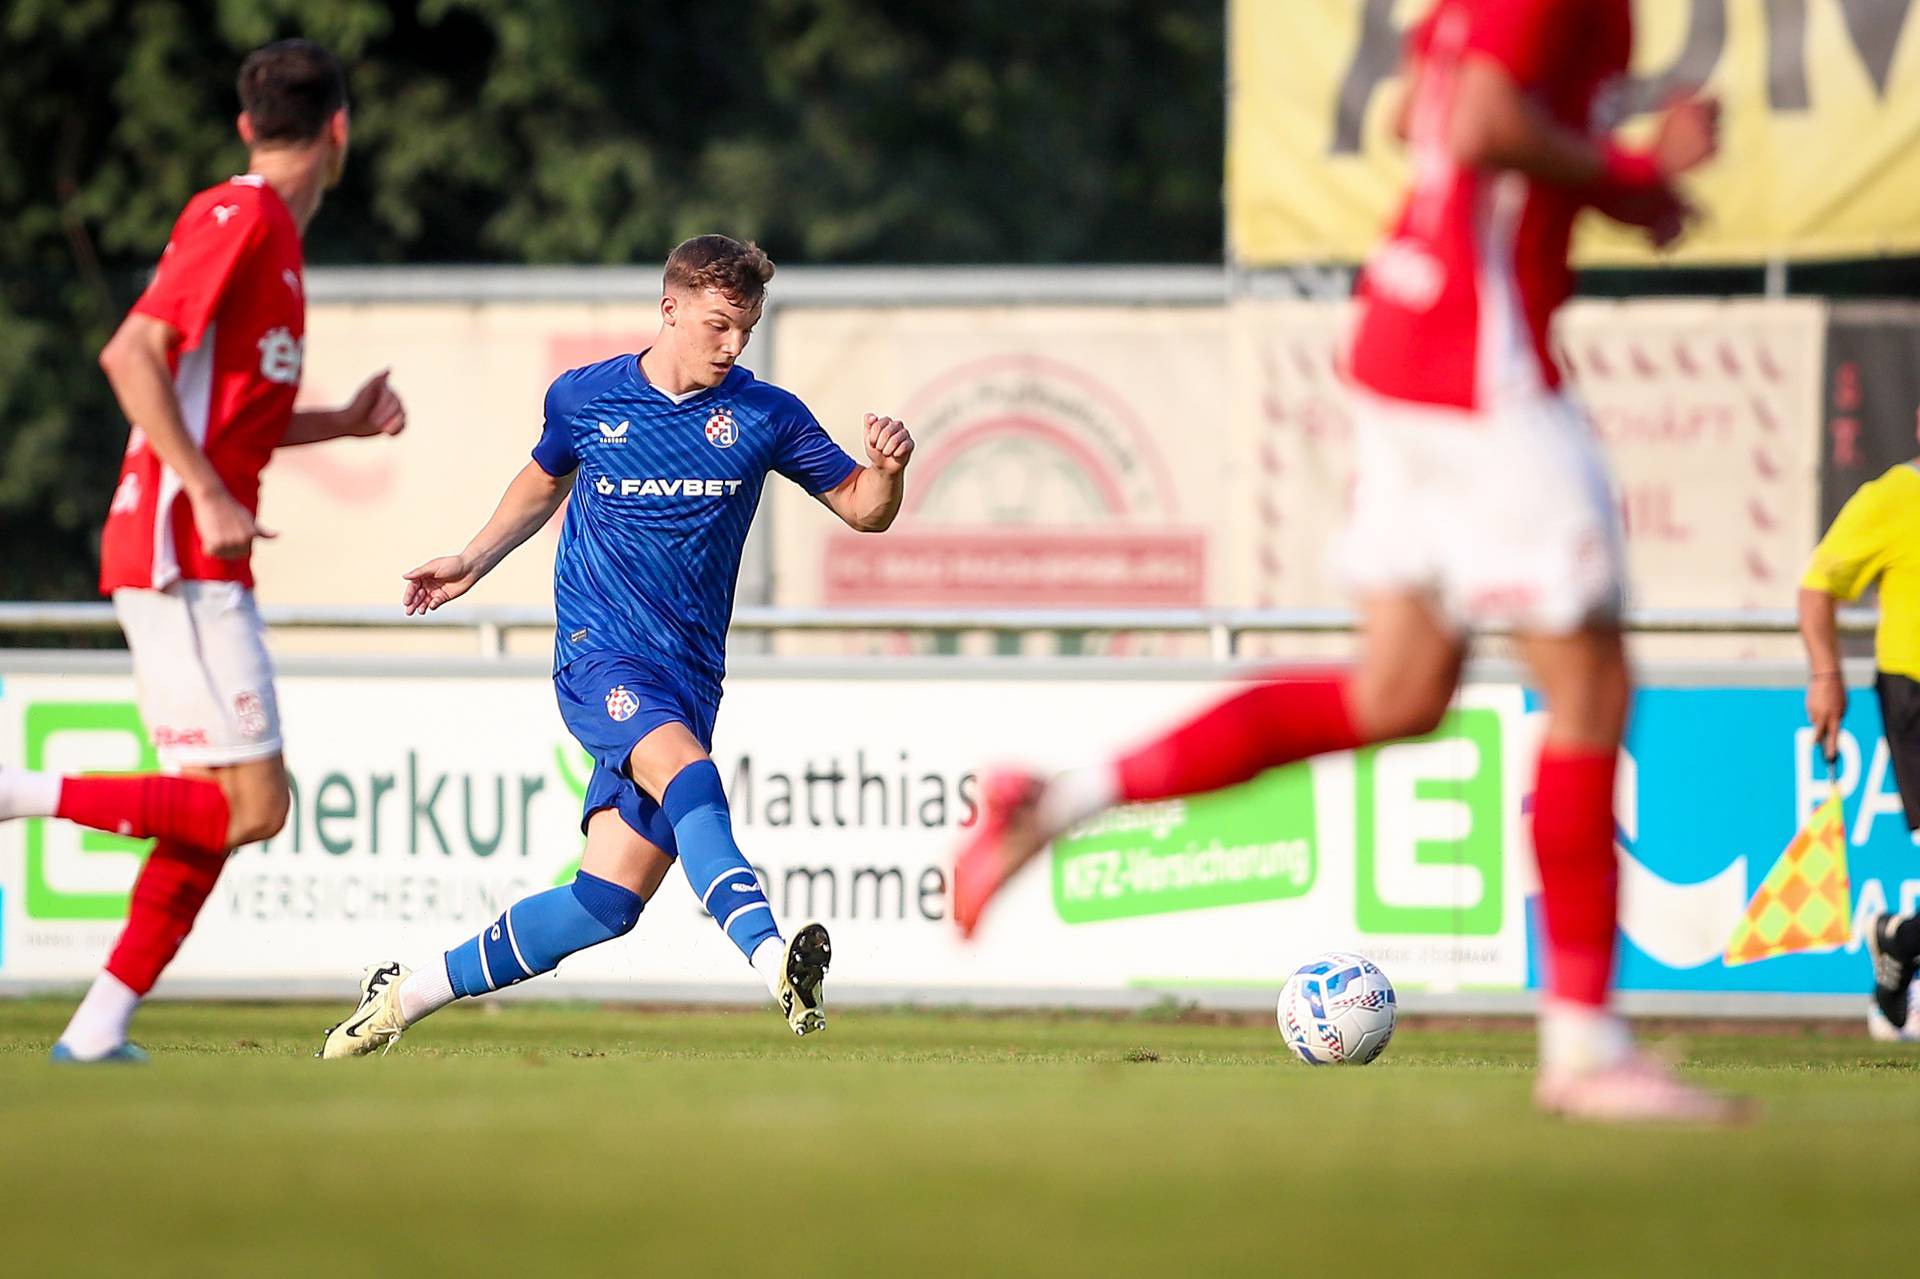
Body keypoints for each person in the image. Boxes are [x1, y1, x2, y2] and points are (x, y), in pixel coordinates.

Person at [952, 0, 1738, 1122]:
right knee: (1591, 689)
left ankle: (1054, 799)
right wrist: (1625, 168)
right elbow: (1475, 119)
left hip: (1403, 341)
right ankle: (1585, 1049)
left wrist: (1617, 183)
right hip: (1481, 362)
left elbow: (1420, 119)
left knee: (1401, 693)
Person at [319, 234, 913, 1057]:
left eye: (746, 328)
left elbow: (862, 508)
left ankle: (394, 1003)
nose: (733, 345)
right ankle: (776, 963)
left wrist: (887, 471)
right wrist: (470, 559)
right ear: (669, 309)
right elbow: (544, 478)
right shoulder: (585, 398)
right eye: (718, 325)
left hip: (689, 679)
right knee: (689, 774)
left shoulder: (764, 414)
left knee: (603, 904)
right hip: (600, 660)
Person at [0, 40, 405, 1062]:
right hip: (183, 551)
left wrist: (338, 424)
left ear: (244, 123)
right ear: (340, 131)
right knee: (256, 804)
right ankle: (19, 793)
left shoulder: (274, 241)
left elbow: (230, 415)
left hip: (189, 545)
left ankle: (99, 1026)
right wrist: (208, 490)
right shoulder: (241, 216)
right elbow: (128, 353)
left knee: (218, 813)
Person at [1799, 406, 1920, 1041]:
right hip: (1914, 690)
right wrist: (1826, 674)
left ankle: (1899, 941)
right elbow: (1818, 586)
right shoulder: (1892, 498)